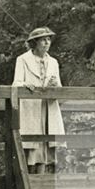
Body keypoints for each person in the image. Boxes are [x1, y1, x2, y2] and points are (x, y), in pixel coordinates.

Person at [13, 26, 65, 174]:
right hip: (32, 108)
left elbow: (60, 88)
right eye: (43, 40)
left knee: (48, 147)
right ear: (35, 42)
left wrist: (54, 87)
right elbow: (16, 83)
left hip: (49, 108)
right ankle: (31, 182)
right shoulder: (22, 60)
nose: (47, 43)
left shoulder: (54, 62)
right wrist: (24, 85)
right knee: (32, 147)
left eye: (49, 40)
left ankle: (46, 186)